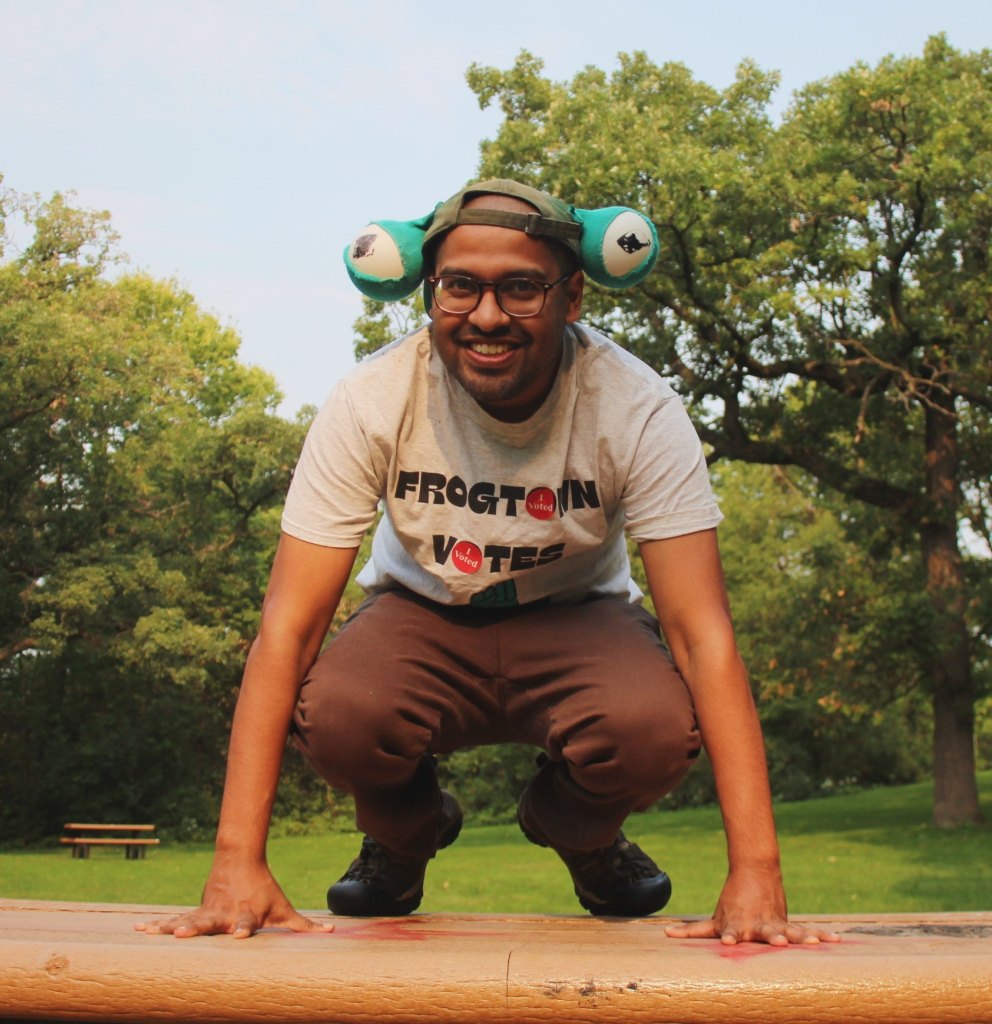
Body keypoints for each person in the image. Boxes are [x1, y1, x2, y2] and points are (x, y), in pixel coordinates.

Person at [138, 179, 839, 947]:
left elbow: (702, 633)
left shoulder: (636, 406)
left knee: (651, 728)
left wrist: (757, 874)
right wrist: (235, 862)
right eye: (460, 286)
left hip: (579, 617)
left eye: (522, 288)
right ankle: (403, 835)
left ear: (574, 296)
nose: (488, 316)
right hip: (422, 613)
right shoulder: (372, 399)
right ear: (427, 291)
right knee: (340, 714)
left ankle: (578, 831)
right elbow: (288, 626)